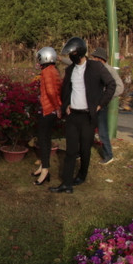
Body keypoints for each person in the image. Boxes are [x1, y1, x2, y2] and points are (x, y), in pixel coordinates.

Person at [49, 37, 116, 194]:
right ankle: (66, 184)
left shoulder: (96, 67)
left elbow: (111, 85)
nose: (71, 56)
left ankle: (82, 175)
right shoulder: (70, 70)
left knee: (85, 149)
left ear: (80, 52)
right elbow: (65, 90)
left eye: (72, 53)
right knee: (71, 150)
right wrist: (65, 106)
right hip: (73, 116)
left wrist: (100, 104)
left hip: (88, 117)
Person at [32, 46, 62, 186]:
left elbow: (50, 92)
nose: (38, 62)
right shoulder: (53, 70)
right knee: (45, 139)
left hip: (48, 110)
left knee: (44, 141)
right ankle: (43, 166)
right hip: (50, 110)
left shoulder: (47, 72)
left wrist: (56, 107)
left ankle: (45, 171)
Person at [89, 47, 124, 164]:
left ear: (100, 59)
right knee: (87, 129)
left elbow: (120, 87)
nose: (92, 59)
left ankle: (108, 155)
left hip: (102, 105)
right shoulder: (94, 68)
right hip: (92, 104)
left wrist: (106, 97)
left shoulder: (109, 70)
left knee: (102, 132)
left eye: (94, 58)